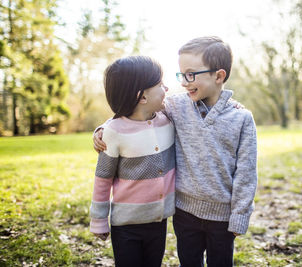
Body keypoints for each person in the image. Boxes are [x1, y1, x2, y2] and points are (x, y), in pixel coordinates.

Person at [94, 36, 258, 267]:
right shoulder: (176, 106)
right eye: (181, 74)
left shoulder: (242, 118)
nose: (183, 82)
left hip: (222, 216)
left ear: (219, 76)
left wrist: (240, 215)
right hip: (184, 213)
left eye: (191, 74)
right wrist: (102, 128)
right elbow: (135, 113)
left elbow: (246, 172)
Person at [89, 56, 175, 267]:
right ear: (142, 96)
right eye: (160, 84)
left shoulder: (168, 119)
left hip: (159, 221)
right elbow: (103, 180)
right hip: (126, 226)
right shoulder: (114, 132)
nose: (167, 87)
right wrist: (99, 220)